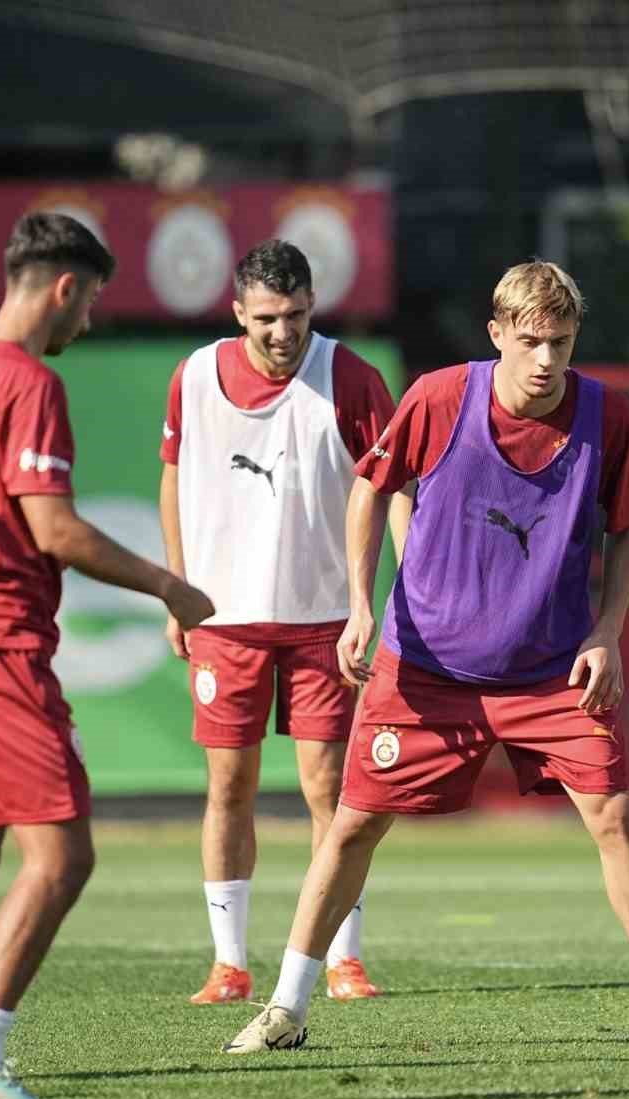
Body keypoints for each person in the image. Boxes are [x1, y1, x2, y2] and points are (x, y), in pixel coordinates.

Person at [220, 261, 629, 1053]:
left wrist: (608, 629)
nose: (546, 359)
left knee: (616, 817)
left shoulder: (608, 416)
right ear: (497, 333)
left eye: (562, 341)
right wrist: (362, 604)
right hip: (425, 667)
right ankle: (286, 1007)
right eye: (531, 340)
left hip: (552, 669)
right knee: (353, 824)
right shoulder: (439, 397)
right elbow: (371, 487)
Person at [0, 213, 215, 1099]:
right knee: (63, 857)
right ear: (64, 287)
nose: (88, 321)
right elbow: (55, 529)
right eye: (90, 300)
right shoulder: (29, 382)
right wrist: (168, 584)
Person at [159, 240, 409, 1006]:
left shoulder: (351, 376)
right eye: (266, 317)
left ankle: (342, 956)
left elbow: (395, 483)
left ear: (312, 306)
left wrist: (405, 588)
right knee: (228, 786)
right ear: (239, 311)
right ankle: (229, 963)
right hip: (224, 616)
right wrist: (176, 585)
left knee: (330, 788)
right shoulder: (195, 376)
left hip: (323, 619)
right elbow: (173, 475)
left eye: (295, 314)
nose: (282, 331)